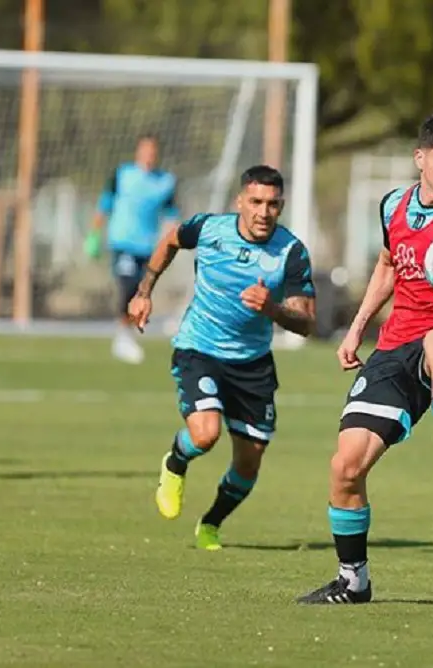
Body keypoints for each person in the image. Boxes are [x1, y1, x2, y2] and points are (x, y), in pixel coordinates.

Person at [297, 112, 433, 604]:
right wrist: (357, 328)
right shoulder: (393, 205)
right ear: (420, 158)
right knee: (345, 466)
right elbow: (388, 265)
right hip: (395, 347)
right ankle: (353, 581)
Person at [127, 165, 316, 551]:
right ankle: (175, 462)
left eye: (272, 204)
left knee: (249, 463)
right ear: (239, 202)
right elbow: (171, 240)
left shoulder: (291, 252)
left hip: (253, 363)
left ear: (281, 207)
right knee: (205, 433)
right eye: (256, 202)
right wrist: (144, 292)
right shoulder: (209, 229)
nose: (263, 212)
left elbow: (306, 322)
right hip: (200, 349)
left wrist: (272, 309)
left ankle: (211, 523)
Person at [84, 134, 180, 364]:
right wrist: (94, 235)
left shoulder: (165, 182)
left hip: (147, 247)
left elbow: (171, 215)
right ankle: (123, 336)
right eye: (145, 150)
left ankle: (126, 334)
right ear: (138, 152)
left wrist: (174, 242)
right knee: (127, 286)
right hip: (122, 242)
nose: (148, 155)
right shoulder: (122, 175)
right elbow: (105, 204)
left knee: (141, 291)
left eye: (152, 151)